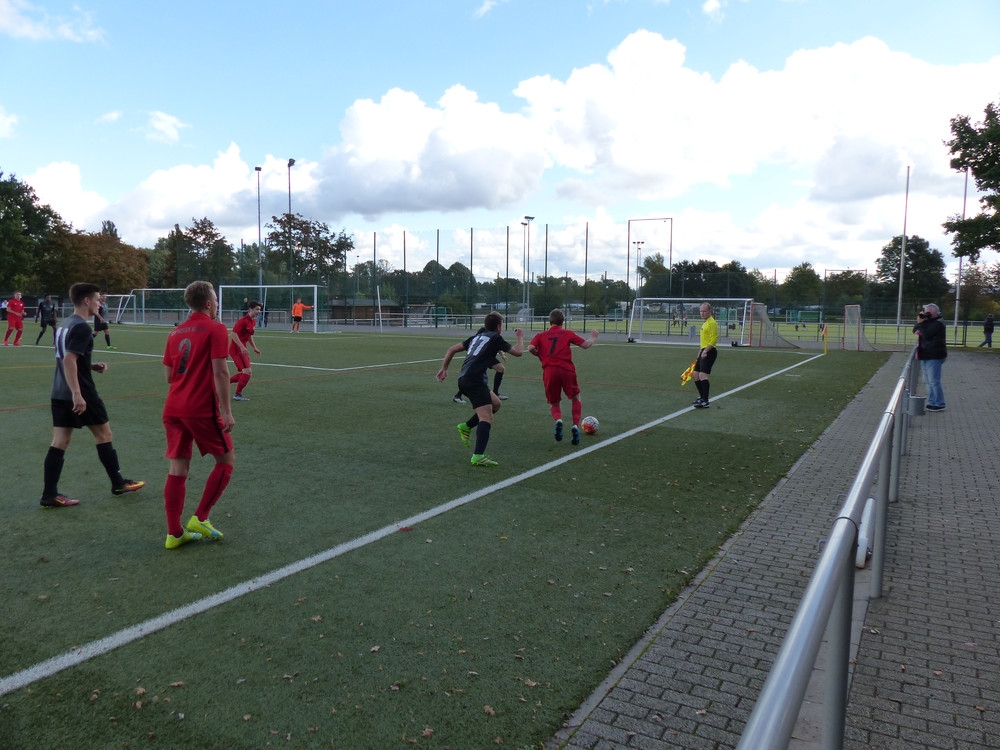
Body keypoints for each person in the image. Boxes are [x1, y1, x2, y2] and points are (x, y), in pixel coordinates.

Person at [38, 283, 145, 508]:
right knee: (104, 434)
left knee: (60, 441)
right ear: (86, 301)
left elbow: (68, 358)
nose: (100, 303)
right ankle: (118, 483)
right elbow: (69, 360)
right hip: (81, 392)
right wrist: (77, 393)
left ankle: (49, 495)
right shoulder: (82, 328)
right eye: (97, 299)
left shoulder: (65, 324)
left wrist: (91, 365)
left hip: (59, 391)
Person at [162, 280, 236, 549]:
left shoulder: (174, 333)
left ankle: (174, 533)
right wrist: (226, 411)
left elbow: (169, 376)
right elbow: (221, 371)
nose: (217, 304)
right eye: (215, 300)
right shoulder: (216, 329)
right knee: (226, 461)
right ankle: (200, 518)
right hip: (200, 408)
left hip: (173, 408)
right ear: (207, 303)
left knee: (177, 467)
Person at [436, 311, 524, 467]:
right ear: (499, 327)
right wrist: (520, 337)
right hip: (474, 381)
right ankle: (478, 456)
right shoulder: (496, 338)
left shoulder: (476, 337)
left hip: (464, 379)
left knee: (495, 404)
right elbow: (518, 353)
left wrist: (444, 368)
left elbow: (451, 349)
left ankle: (466, 426)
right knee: (486, 417)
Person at [528, 309, 599, 445]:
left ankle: (559, 420)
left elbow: (530, 348)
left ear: (550, 322)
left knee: (554, 402)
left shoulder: (541, 335)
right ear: (563, 321)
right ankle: (575, 425)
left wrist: (541, 355)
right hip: (566, 370)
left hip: (549, 371)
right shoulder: (567, 333)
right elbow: (585, 345)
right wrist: (594, 337)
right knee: (575, 398)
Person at [452, 327, 508, 403]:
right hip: (482, 356)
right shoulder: (485, 330)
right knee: (475, 375)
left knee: (500, 369)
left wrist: (502, 355)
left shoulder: (491, 333)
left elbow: (495, 344)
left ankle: (495, 393)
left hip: (487, 356)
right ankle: (458, 396)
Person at [913, 302, 947, 411]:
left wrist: (921, 324)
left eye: (928, 312)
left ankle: (940, 403)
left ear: (935, 313)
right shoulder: (927, 322)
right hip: (925, 354)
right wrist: (919, 322)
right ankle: (932, 401)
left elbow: (927, 335)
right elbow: (915, 330)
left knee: (933, 380)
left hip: (935, 355)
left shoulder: (938, 324)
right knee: (927, 380)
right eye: (925, 312)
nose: (926, 314)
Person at [230, 300, 262, 401]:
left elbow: (249, 336)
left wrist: (254, 347)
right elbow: (233, 334)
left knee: (246, 373)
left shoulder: (253, 321)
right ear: (250, 309)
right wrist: (241, 347)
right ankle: (237, 394)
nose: (258, 311)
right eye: (256, 309)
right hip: (236, 349)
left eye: (259, 310)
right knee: (247, 372)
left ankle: (222, 383)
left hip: (242, 348)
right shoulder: (243, 320)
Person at [692, 302, 718, 408]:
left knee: (702, 375)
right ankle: (702, 397)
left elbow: (714, 339)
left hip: (710, 352)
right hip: (703, 350)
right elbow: (704, 340)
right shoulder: (705, 322)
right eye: (700, 311)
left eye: (704, 311)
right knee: (695, 374)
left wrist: (706, 351)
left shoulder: (712, 323)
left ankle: (705, 401)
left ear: (710, 311)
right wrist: (701, 351)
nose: (702, 313)